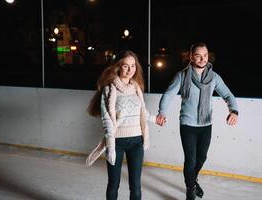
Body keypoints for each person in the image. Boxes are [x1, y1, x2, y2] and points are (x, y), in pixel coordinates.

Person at [156, 42, 239, 200]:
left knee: (202, 157)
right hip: (187, 124)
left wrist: (233, 110)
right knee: (191, 159)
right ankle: (190, 189)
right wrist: (162, 112)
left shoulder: (214, 77)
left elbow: (228, 95)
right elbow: (168, 94)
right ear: (191, 56)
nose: (202, 59)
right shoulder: (182, 75)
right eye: (198, 55)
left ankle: (192, 179)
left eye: (205, 55)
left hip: (206, 124)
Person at [86, 50, 156, 200]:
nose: (130, 70)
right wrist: (111, 147)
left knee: (135, 185)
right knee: (113, 184)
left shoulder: (136, 87)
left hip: (137, 141)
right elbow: (107, 120)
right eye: (126, 66)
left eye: (133, 66)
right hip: (116, 142)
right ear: (118, 67)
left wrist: (155, 118)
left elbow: (141, 111)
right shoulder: (109, 89)